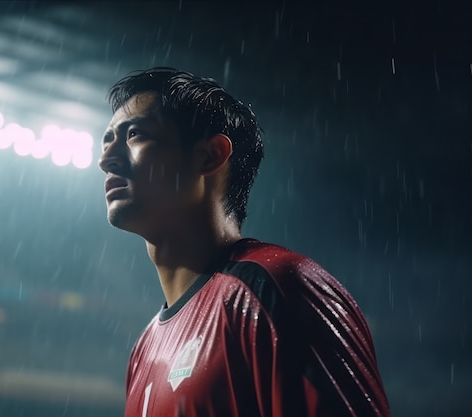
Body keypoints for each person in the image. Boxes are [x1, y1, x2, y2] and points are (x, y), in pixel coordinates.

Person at [98, 67, 390, 417]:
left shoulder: (277, 287)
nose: (106, 160)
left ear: (209, 155)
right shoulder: (145, 348)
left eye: (134, 135)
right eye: (107, 140)